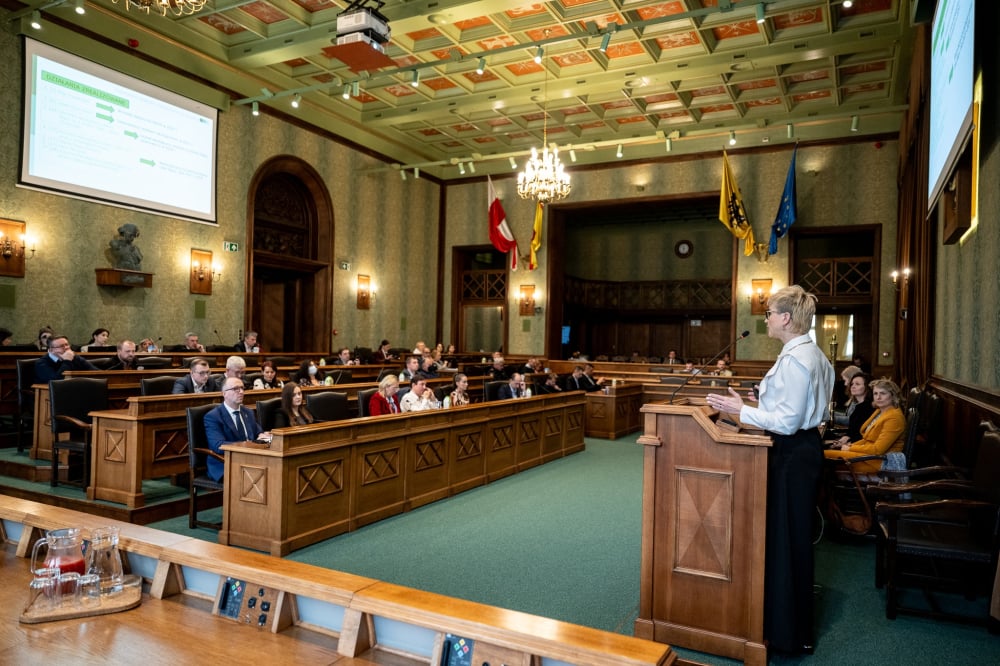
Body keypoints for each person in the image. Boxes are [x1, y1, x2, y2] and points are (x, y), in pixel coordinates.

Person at [705, 285, 835, 656]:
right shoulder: (811, 355)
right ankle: (793, 627)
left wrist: (739, 412)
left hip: (793, 453)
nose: (765, 320)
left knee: (787, 539)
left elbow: (789, 420)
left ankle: (787, 634)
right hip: (804, 448)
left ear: (786, 318)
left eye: (768, 314)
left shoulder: (796, 359)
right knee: (791, 537)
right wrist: (758, 401)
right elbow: (795, 406)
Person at [824, 378, 905, 473]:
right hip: (867, 456)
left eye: (883, 393)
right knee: (821, 454)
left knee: (820, 455)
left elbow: (877, 450)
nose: (878, 397)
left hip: (880, 462)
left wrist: (850, 448)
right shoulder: (879, 411)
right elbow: (867, 440)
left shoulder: (894, 417)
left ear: (893, 396)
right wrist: (848, 445)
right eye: (875, 393)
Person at [203, 377, 269, 481]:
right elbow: (218, 445)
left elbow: (258, 433)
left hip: (251, 459)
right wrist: (248, 445)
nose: (241, 392)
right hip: (225, 462)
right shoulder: (213, 417)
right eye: (236, 389)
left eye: (242, 388)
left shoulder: (248, 412)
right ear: (224, 393)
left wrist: (264, 436)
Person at [829, 372, 874, 444]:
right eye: (852, 384)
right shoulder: (859, 406)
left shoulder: (868, 407)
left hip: (858, 446)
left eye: (857, 384)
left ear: (867, 387)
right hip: (850, 442)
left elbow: (861, 435)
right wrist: (846, 437)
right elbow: (853, 431)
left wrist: (847, 441)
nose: (853, 386)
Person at [34, 335, 98, 384]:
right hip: (50, 394)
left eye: (67, 344)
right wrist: (67, 361)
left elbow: (96, 372)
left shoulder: (74, 357)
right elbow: (56, 382)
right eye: (62, 346)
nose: (67, 348)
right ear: (51, 350)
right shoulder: (41, 363)